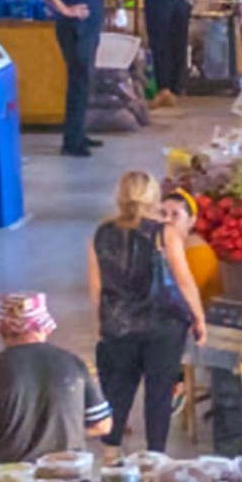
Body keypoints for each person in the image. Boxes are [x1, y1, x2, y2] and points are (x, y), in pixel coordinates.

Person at [91, 174, 210, 452]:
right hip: (163, 325)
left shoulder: (101, 233)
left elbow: (96, 285)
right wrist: (199, 317)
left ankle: (110, 451)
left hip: (119, 323)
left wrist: (101, 321)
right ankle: (155, 454)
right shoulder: (163, 232)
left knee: (119, 388)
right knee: (159, 391)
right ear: (153, 198)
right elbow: (183, 280)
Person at [0, 293, 116, 464]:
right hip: (69, 473)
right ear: (46, 328)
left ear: (1, 328)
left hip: (14, 478)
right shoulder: (73, 363)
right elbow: (102, 425)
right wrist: (65, 429)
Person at [43, 0, 109, 159]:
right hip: (76, 31)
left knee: (83, 81)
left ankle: (78, 132)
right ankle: (71, 140)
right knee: (79, 82)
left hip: (87, 30)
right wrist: (65, 10)